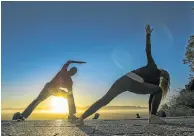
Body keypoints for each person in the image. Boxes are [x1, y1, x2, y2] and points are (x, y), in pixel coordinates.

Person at [75, 25, 170, 125]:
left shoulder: (155, 78)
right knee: (158, 90)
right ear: (164, 76)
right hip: (131, 81)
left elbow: (151, 101)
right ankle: (81, 118)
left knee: (104, 100)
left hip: (124, 80)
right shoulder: (153, 67)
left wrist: (148, 34)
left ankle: (80, 119)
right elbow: (148, 51)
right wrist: (148, 35)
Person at [12, 60, 86, 121]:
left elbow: (70, 93)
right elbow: (69, 61)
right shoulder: (64, 71)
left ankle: (71, 115)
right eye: (73, 71)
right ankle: (23, 116)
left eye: (74, 73)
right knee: (38, 100)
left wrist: (69, 98)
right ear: (70, 70)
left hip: (56, 91)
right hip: (49, 88)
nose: (73, 73)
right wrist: (78, 62)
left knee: (69, 97)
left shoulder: (70, 81)